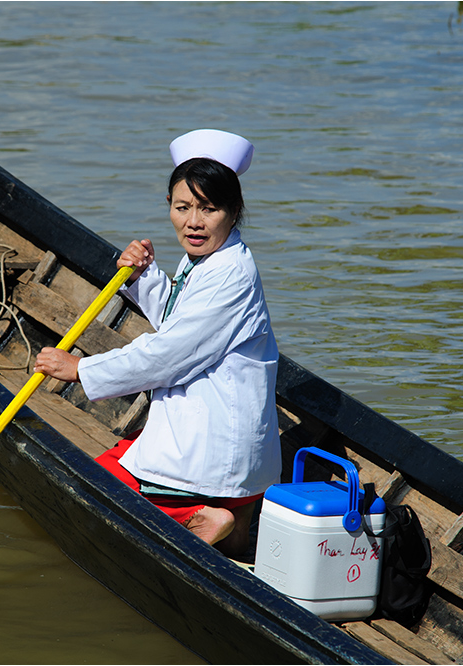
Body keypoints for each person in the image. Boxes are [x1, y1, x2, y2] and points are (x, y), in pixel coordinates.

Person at [33, 129, 281, 558]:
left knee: (92, 490)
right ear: (169, 206)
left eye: (209, 208)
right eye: (183, 207)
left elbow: (169, 353)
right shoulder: (208, 258)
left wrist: (81, 370)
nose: (194, 222)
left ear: (233, 211)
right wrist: (143, 276)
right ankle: (225, 528)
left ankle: (198, 517)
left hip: (210, 451)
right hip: (223, 450)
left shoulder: (229, 273)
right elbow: (181, 324)